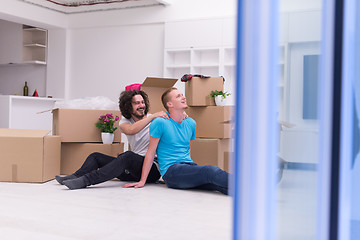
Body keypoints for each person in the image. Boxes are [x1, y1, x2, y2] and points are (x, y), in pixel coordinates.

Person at [123, 88, 229, 195]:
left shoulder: (191, 123)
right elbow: (150, 152)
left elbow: (187, 150)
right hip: (171, 172)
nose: (184, 97)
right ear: (170, 104)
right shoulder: (160, 122)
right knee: (211, 171)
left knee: (216, 185)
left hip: (188, 167)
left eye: (182, 95)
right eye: (178, 96)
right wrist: (142, 181)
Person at [56, 90, 169, 190]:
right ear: (128, 106)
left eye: (142, 102)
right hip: (133, 170)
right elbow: (131, 130)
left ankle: (85, 181)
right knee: (95, 156)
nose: (141, 106)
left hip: (151, 170)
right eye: (137, 103)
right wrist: (152, 116)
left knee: (127, 156)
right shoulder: (126, 122)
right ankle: (75, 176)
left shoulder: (155, 120)